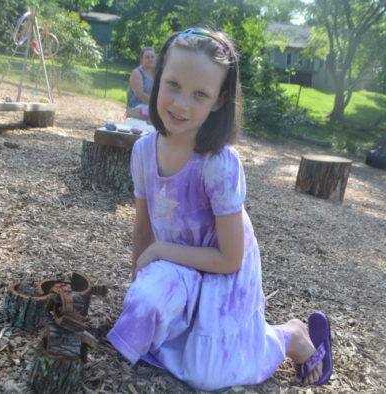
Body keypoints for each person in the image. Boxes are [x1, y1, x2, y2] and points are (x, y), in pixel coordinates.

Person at [107, 28, 333, 391]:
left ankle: (289, 336)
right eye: (174, 85)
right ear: (158, 77)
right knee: (144, 319)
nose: (181, 104)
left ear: (218, 100)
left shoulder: (219, 164)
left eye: (200, 94)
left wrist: (161, 251)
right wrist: (139, 291)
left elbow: (229, 259)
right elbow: (142, 229)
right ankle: (184, 321)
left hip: (222, 269)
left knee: (206, 376)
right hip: (177, 265)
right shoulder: (143, 151)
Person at [127, 47, 156, 119]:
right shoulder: (137, 72)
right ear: (141, 59)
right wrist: (155, 105)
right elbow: (140, 95)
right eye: (147, 57)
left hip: (151, 106)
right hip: (138, 107)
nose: (150, 59)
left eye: (152, 57)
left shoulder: (156, 73)